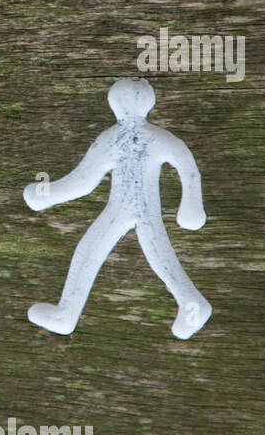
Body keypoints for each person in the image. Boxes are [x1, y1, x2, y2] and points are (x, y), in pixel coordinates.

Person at [24, 77, 211, 340]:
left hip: (127, 209)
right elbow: (187, 166)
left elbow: (83, 181)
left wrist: (44, 194)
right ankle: (67, 313)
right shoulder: (159, 137)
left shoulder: (112, 138)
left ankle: (67, 314)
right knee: (150, 256)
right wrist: (192, 206)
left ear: (114, 104)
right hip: (132, 209)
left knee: (99, 252)